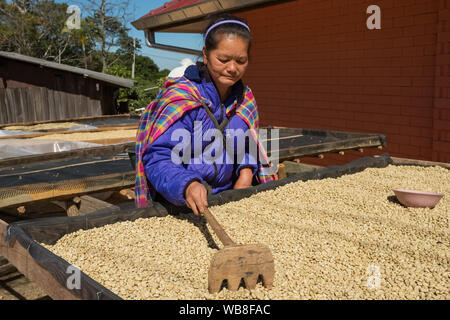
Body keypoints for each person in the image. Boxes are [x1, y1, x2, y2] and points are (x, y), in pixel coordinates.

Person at [135, 14, 277, 215]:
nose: (232, 68)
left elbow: (249, 144)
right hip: (183, 204)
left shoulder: (245, 99)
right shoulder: (182, 99)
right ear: (205, 54)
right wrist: (187, 184)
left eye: (241, 60)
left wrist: (246, 173)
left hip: (230, 199)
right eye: (223, 59)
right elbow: (158, 157)